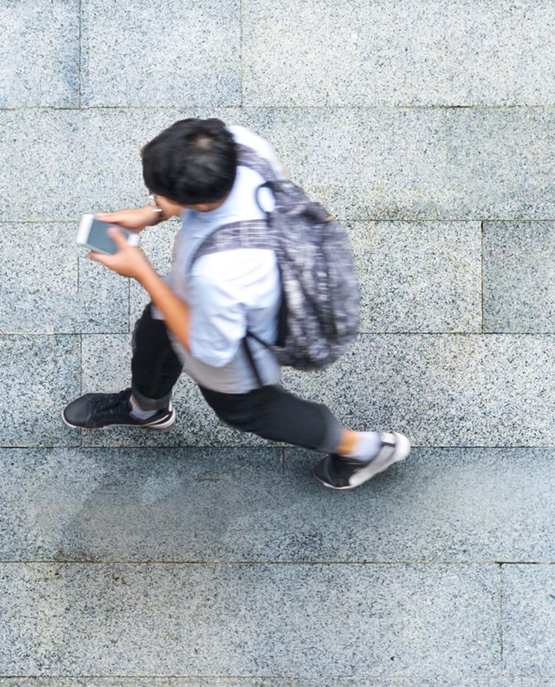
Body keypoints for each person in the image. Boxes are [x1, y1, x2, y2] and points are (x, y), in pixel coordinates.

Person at [61, 117, 410, 490]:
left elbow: (209, 348)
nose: (154, 198)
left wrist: (143, 271)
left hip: (235, 339)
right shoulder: (240, 146)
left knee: (248, 410)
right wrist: (155, 212)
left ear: (199, 202)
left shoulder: (224, 272)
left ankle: (365, 449)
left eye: (158, 194)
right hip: (207, 291)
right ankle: (144, 409)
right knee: (154, 335)